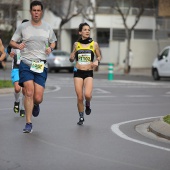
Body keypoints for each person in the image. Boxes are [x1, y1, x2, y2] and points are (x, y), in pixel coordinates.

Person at [9, 1, 57, 133]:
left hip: (41, 65)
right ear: (30, 12)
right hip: (26, 64)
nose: (36, 12)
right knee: (28, 92)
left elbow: (53, 42)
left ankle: (36, 105)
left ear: (41, 12)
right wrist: (18, 46)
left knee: (38, 98)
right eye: (34, 10)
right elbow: (12, 41)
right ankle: (28, 123)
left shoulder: (47, 27)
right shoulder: (23, 27)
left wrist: (50, 48)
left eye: (38, 10)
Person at [69, 22, 102, 125]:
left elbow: (99, 56)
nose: (87, 31)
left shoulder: (94, 44)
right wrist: (71, 57)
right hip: (78, 72)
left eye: (88, 30)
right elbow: (72, 58)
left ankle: (88, 104)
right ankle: (81, 116)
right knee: (79, 97)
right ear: (80, 32)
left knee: (87, 95)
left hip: (88, 72)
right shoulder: (76, 44)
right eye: (85, 29)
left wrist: (97, 61)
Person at [7, 19, 29, 117]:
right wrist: (10, 53)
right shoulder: (15, 38)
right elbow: (8, 48)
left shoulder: (31, 39)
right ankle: (17, 101)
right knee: (17, 89)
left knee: (24, 90)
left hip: (26, 67)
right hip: (16, 67)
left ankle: (23, 108)